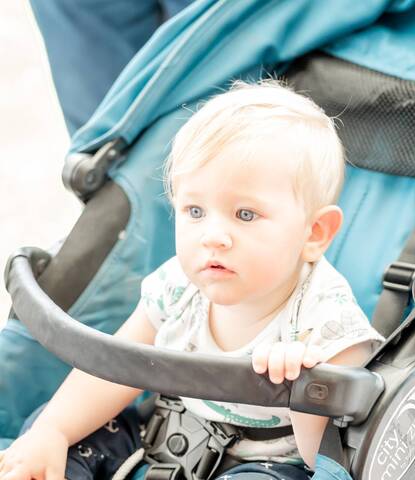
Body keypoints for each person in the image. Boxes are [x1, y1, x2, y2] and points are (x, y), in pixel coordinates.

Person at [0, 80, 384, 480]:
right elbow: (115, 370)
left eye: (246, 214)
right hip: (167, 427)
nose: (212, 236)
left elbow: (327, 462)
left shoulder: (327, 326)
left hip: (267, 464)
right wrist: (55, 431)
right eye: (195, 211)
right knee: (54, 429)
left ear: (315, 233)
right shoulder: (178, 286)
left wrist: (306, 391)